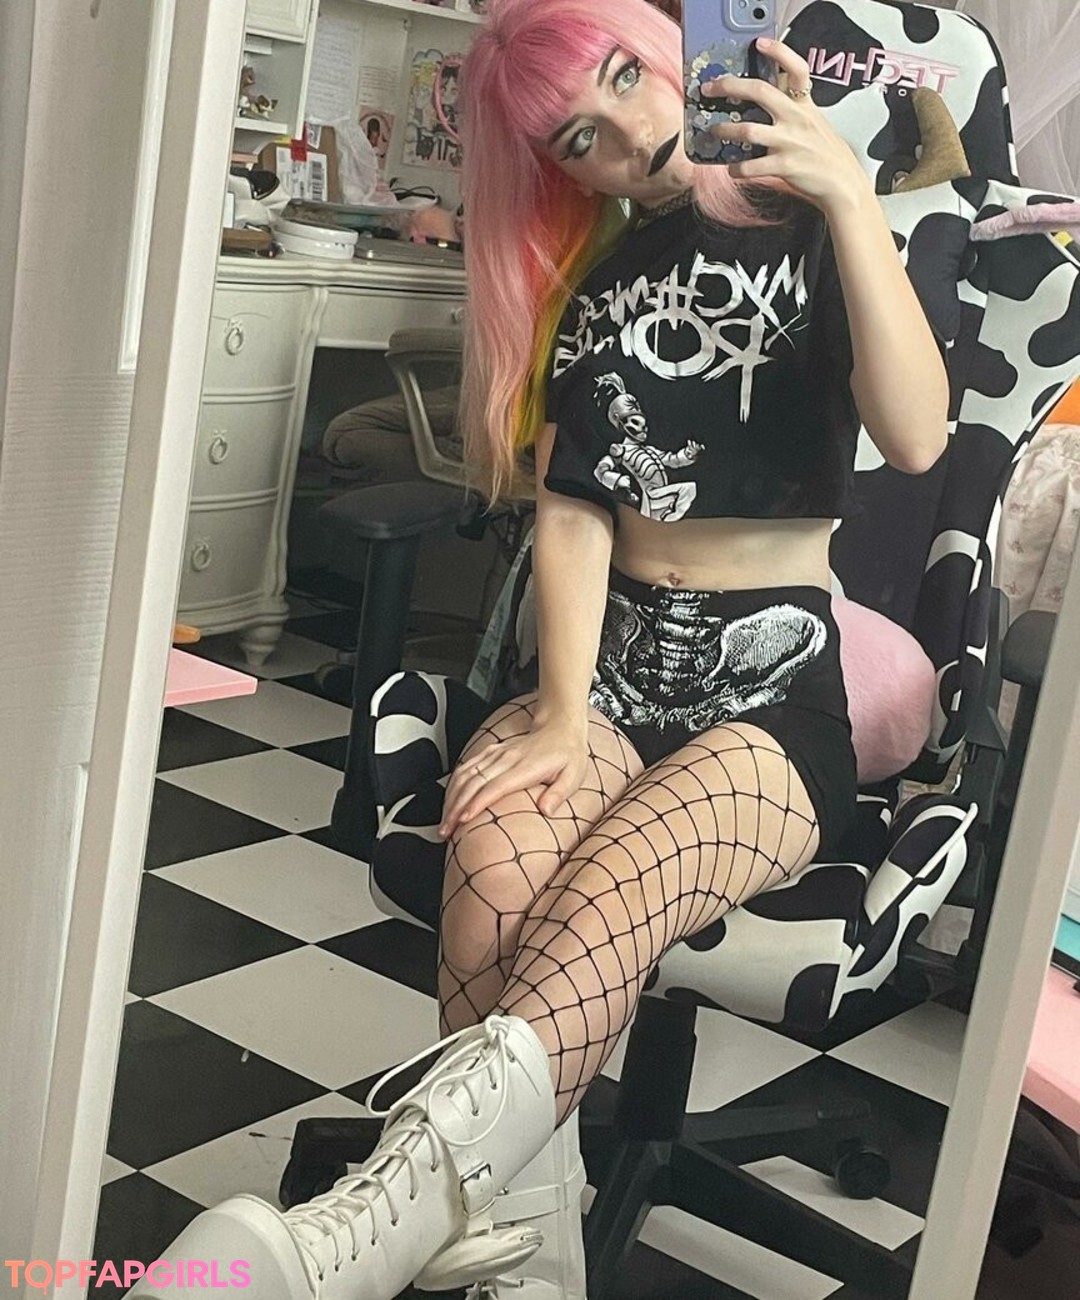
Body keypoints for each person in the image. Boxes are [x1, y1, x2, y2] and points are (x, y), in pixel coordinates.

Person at [145, 1, 948, 1297]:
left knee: (604, 897)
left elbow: (915, 437)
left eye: (629, 76)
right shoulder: (600, 287)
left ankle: (358, 1234)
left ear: (669, 52)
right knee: (495, 857)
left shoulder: (815, 227)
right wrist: (563, 713)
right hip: (608, 671)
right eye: (580, 134)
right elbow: (576, 518)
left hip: (769, 691)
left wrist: (851, 197)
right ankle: (521, 1258)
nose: (625, 131)